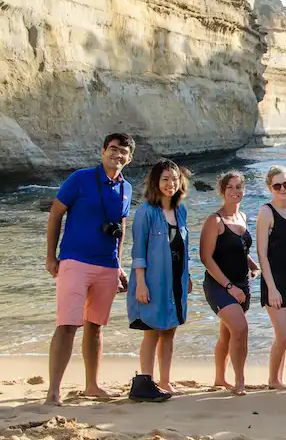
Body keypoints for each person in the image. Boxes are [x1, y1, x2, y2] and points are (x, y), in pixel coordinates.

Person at [44, 133, 135, 405]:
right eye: (113, 149)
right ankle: (53, 391)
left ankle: (92, 386)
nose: (117, 155)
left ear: (129, 159)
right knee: (67, 324)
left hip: (107, 265)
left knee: (95, 326)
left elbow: (122, 226)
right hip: (75, 260)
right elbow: (56, 213)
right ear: (103, 151)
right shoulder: (80, 178)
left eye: (123, 152)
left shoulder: (127, 188)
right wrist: (51, 256)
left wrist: (119, 264)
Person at [127, 159, 192, 402]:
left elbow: (185, 248)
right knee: (152, 331)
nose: (170, 183)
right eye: (165, 179)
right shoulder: (146, 212)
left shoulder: (181, 211)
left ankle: (165, 381)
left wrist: (188, 277)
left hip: (176, 278)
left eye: (174, 179)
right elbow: (139, 251)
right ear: (155, 182)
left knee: (170, 330)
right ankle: (145, 381)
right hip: (153, 279)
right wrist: (141, 283)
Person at [199, 171, 259, 396]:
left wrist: (253, 265)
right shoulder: (215, 220)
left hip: (242, 284)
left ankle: (219, 378)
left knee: (227, 333)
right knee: (241, 328)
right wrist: (229, 287)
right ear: (222, 191)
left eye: (239, 187)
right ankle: (240, 381)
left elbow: (239, 250)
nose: (235, 191)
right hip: (219, 285)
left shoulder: (242, 216)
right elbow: (206, 258)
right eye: (230, 187)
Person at [256, 165, 286, 390]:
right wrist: (271, 288)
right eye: (277, 185)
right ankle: (273, 380)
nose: (283, 188)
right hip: (273, 281)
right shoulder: (266, 212)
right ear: (270, 188)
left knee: (284, 333)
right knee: (283, 335)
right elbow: (262, 255)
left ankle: (278, 378)